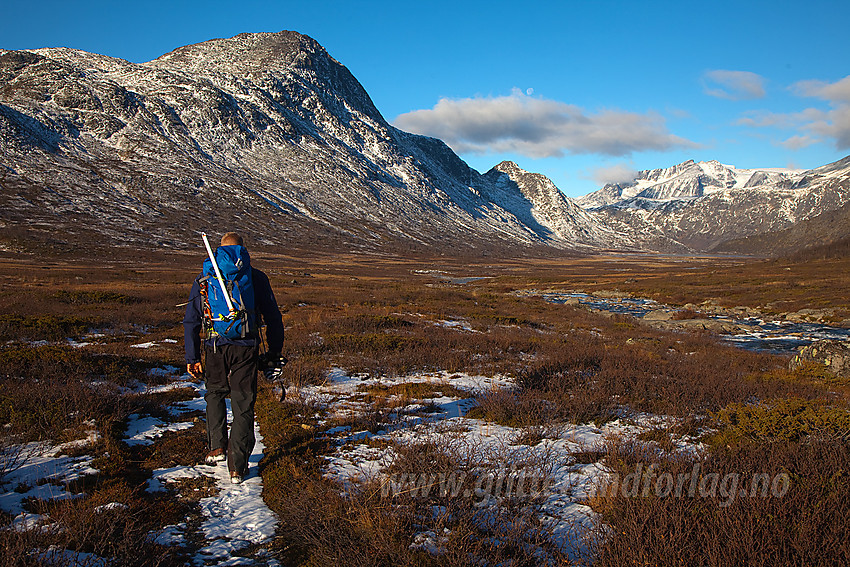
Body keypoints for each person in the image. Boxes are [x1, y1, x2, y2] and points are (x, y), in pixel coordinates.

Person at [183, 232, 284, 484]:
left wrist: (192, 355)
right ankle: (237, 467)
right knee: (243, 403)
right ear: (243, 250)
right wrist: (274, 352)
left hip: (214, 344)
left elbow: (191, 321)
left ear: (219, 250)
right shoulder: (256, 277)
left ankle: (217, 447)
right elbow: (273, 317)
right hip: (247, 347)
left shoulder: (205, 278)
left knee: (215, 393)